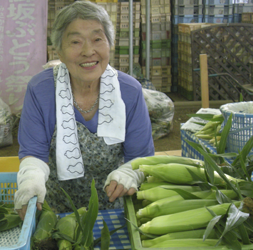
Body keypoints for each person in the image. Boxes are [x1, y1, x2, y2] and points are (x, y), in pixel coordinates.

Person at [14, 1, 154, 219]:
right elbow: (33, 154)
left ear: (110, 44)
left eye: (98, 39)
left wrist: (129, 173)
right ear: (59, 50)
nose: (89, 51)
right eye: (75, 42)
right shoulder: (40, 90)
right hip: (56, 212)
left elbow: (141, 158)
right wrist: (31, 179)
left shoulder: (129, 91)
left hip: (113, 211)